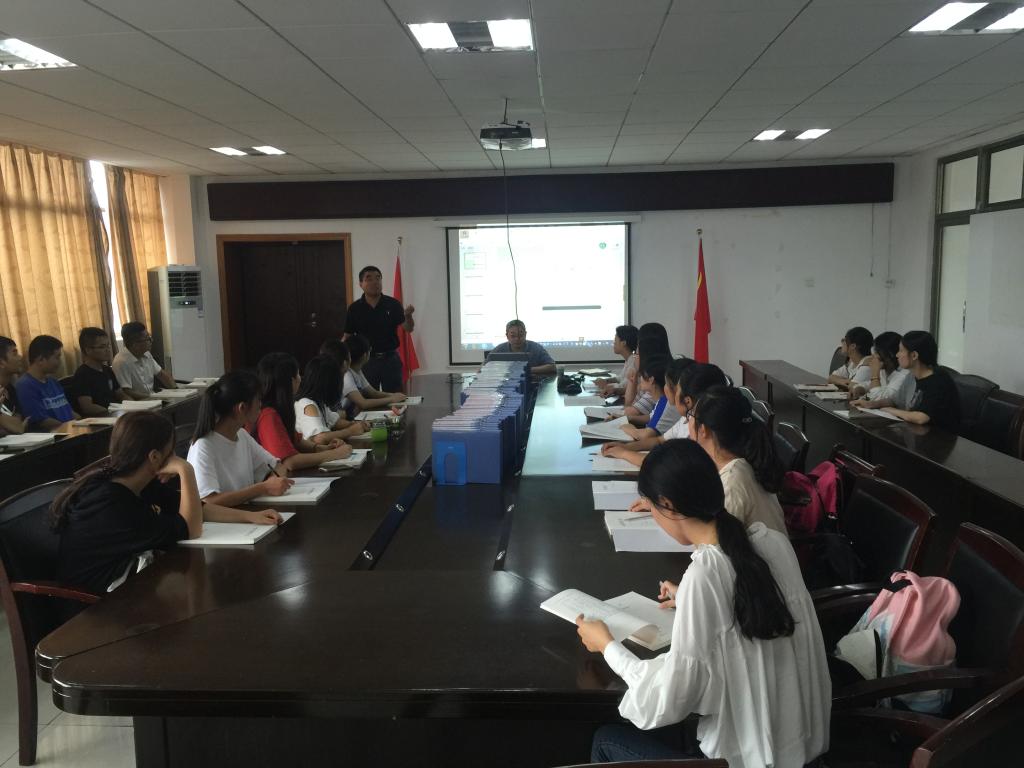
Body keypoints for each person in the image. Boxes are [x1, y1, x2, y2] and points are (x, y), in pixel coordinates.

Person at [576, 439, 830, 766]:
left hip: (748, 760)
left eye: (651, 507)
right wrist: (687, 598)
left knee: (606, 739)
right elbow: (750, 609)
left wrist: (608, 646)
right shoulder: (773, 542)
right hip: (803, 747)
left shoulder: (705, 574)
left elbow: (670, 699)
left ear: (667, 505)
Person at [51, 411, 280, 595]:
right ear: (154, 457)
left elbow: (197, 510)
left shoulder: (135, 481)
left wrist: (250, 517)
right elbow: (191, 528)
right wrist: (185, 469)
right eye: (171, 452)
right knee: (205, 590)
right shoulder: (113, 503)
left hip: (132, 582)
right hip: (99, 605)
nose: (174, 457)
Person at [186, 370, 295, 507]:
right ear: (242, 408)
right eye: (258, 400)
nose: (261, 405)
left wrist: (275, 480)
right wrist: (264, 487)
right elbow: (208, 502)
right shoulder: (203, 446)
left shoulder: (241, 435)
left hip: (247, 514)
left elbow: (278, 467)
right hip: (226, 519)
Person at [688, 386, 787, 534]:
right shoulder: (738, 462)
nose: (688, 421)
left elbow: (718, 542)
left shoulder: (733, 480)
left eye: (690, 415)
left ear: (703, 429)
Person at [603, 361, 728, 468]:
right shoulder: (687, 418)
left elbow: (667, 465)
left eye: (676, 389)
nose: (665, 388)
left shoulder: (699, 430)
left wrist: (624, 453)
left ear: (687, 401)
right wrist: (626, 447)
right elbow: (659, 440)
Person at [253, 352, 356, 470]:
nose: (300, 378)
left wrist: (321, 448)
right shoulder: (268, 415)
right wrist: (334, 454)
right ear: (291, 381)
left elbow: (297, 441)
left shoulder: (280, 408)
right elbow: (290, 462)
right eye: (298, 374)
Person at [343, 265, 415, 392]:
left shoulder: (393, 304)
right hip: (366, 361)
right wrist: (338, 356)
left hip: (391, 359)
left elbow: (408, 328)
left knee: (396, 397)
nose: (375, 282)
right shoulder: (354, 308)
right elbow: (347, 336)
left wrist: (408, 316)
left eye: (378, 278)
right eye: (369, 279)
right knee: (368, 398)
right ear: (361, 284)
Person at [880, 330, 961, 431]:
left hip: (939, 436)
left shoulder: (938, 380)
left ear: (914, 355)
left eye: (901, 351)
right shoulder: (911, 375)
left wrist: (891, 411)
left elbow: (921, 418)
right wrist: (871, 404)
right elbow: (895, 401)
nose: (897, 355)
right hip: (917, 432)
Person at [294, 354, 371, 444]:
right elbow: (319, 438)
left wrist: (355, 424)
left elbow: (335, 422)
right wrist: (350, 431)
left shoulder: (319, 400)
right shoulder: (308, 404)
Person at [15, 334, 76, 430]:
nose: (60, 362)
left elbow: (70, 412)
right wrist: (70, 428)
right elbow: (42, 421)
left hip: (71, 431)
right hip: (56, 435)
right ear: (41, 360)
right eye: (57, 357)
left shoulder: (53, 382)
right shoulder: (25, 386)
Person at [343, 334, 407, 416]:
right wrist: (391, 399)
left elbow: (373, 393)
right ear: (365, 355)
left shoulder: (357, 370)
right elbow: (363, 403)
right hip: (341, 417)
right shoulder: (347, 376)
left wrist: (393, 395)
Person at [70, 327, 129, 416]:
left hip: (116, 412)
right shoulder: (82, 374)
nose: (108, 350)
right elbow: (88, 407)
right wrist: (113, 413)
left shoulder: (107, 370)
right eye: (102, 347)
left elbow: (121, 394)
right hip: (102, 417)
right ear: (88, 350)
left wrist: (134, 406)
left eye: (108, 345)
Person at [850, 331, 915, 411]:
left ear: (890, 354)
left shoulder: (904, 375)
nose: (874, 356)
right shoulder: (885, 370)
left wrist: (875, 374)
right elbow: (870, 385)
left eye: (877, 352)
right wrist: (860, 388)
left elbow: (878, 399)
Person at [620, 355, 680, 440]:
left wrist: (628, 428)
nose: (640, 378)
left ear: (651, 380)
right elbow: (651, 417)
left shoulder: (665, 402)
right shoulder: (661, 400)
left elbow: (646, 436)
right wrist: (627, 418)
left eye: (642, 375)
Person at [112, 321, 176, 398]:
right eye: (148, 339)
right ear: (135, 344)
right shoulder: (121, 362)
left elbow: (162, 375)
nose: (152, 340)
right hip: (139, 402)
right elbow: (127, 392)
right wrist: (152, 398)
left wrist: (176, 390)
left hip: (153, 398)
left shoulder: (147, 354)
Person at [624, 323, 671, 426]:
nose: (635, 356)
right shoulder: (647, 375)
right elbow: (629, 404)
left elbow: (629, 410)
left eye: (637, 353)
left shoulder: (657, 380)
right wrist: (634, 377)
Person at [489, 319, 556, 376]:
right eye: (513, 336)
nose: (517, 339)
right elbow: (484, 367)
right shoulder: (499, 349)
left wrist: (527, 370)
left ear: (525, 334)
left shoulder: (536, 348)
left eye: (520, 335)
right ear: (507, 336)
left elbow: (552, 366)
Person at [595, 325, 639, 397]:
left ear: (624, 343)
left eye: (615, 340)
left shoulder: (634, 362)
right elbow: (620, 378)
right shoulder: (629, 359)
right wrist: (606, 381)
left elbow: (624, 386)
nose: (614, 343)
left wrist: (606, 385)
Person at [0, 336, 27, 435]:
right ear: (1, 362)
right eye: (14, 353)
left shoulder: (10, 389)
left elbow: (18, 426)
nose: (20, 357)